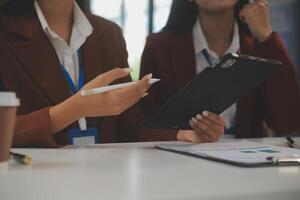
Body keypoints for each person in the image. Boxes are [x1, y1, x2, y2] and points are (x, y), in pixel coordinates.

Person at [0, 0, 161, 147]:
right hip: (30, 175)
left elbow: (131, 127)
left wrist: (176, 136)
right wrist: (72, 110)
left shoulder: (109, 33)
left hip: (105, 175)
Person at [140, 0, 300, 140]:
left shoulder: (259, 46)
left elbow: (286, 122)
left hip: (245, 163)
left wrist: (265, 36)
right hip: (181, 161)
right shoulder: (159, 47)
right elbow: (145, 126)